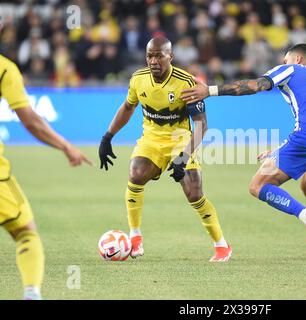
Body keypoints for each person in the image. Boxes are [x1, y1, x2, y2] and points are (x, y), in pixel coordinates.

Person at [181, 43, 306, 261]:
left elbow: (255, 86)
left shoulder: (292, 70)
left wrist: (210, 90)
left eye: (286, 59)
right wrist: (281, 148)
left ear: (298, 59)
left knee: (258, 185)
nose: (283, 63)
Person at [98, 36, 232, 262]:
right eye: (149, 55)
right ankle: (135, 238)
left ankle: (222, 246)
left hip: (181, 140)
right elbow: (128, 107)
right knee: (136, 173)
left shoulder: (186, 83)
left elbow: (201, 125)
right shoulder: (138, 79)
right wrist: (108, 136)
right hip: (151, 139)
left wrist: (183, 157)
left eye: (159, 55)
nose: (153, 60)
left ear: (170, 56)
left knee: (193, 193)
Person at [0, 54, 91, 300]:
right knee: (25, 232)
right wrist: (66, 146)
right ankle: (31, 294)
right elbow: (30, 120)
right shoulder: (5, 69)